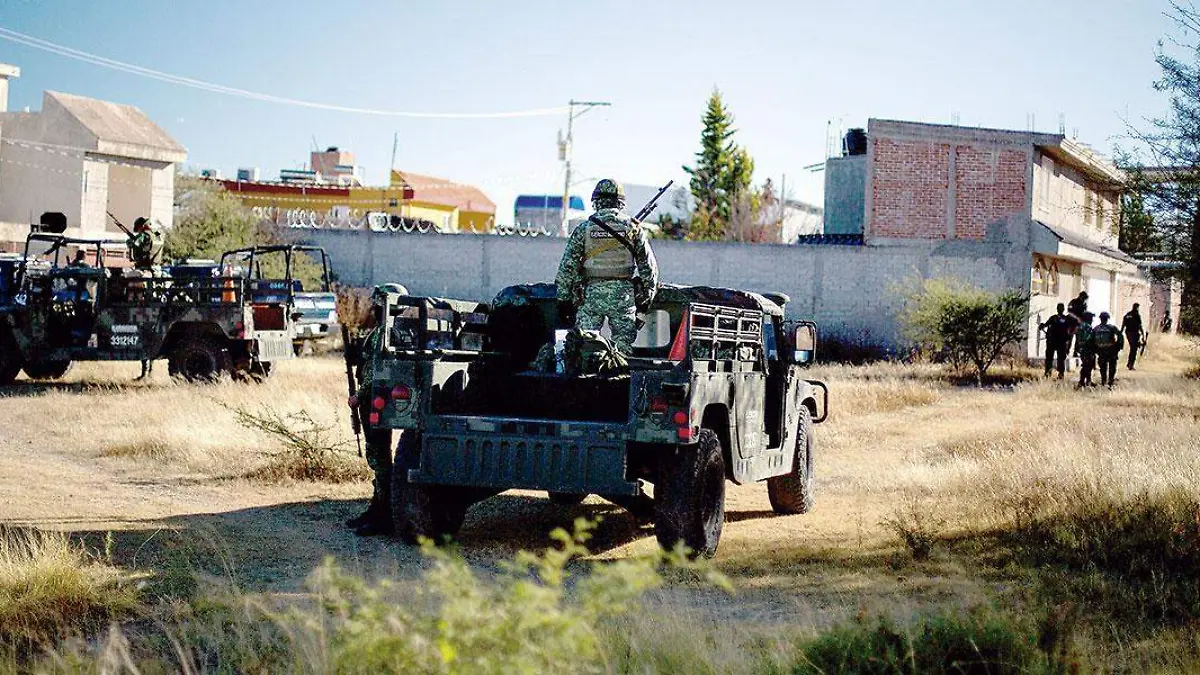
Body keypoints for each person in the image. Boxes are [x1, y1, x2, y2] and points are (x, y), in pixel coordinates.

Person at [555, 179, 659, 354]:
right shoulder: (633, 229)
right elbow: (649, 268)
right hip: (623, 297)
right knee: (622, 348)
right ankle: (618, 378)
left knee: (585, 344)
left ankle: (586, 376)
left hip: (590, 296)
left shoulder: (584, 229)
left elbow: (567, 268)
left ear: (596, 202)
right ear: (620, 203)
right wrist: (647, 298)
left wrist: (563, 300)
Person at [345, 283, 409, 536]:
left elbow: (377, 371)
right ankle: (376, 509)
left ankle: (385, 516)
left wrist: (358, 396)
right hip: (376, 400)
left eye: (376, 303)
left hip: (375, 400)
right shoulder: (389, 331)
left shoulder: (385, 332)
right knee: (379, 458)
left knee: (380, 460)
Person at [128, 217, 165, 380]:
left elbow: (134, 245)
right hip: (156, 274)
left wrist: (131, 240)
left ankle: (145, 372)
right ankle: (148, 372)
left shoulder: (144, 236)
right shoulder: (157, 236)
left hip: (145, 273)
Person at [1038, 303, 1076, 379]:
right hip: (1053, 342)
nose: (1060, 309)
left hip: (1060, 342)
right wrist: (1042, 326)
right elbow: (1045, 325)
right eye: (1059, 308)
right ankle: (1048, 373)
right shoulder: (1054, 318)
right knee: (1051, 359)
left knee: (1060, 359)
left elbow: (1070, 330)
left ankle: (1060, 374)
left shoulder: (1063, 319)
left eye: (1061, 308)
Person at [1092, 311, 1124, 388]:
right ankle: (1110, 381)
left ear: (1100, 319)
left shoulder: (1096, 328)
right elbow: (1120, 336)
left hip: (1101, 350)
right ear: (1107, 319)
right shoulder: (1111, 327)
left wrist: (1095, 349)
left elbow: (1092, 340)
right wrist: (1119, 346)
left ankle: (1104, 380)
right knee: (1112, 366)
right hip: (1111, 350)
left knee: (1102, 367)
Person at [1074, 312, 1096, 388]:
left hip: (1082, 348)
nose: (1092, 320)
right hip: (1087, 348)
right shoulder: (1087, 326)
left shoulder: (1081, 326)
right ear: (1088, 318)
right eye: (1091, 318)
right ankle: (1082, 382)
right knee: (1087, 365)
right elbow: (1088, 338)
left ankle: (1088, 381)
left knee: (1087, 365)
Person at [1121, 303, 1145, 370]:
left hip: (1128, 333)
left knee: (1133, 348)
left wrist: (1121, 332)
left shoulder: (1127, 315)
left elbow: (1123, 325)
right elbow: (1140, 326)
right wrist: (1143, 335)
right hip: (1133, 333)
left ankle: (1130, 363)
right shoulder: (1136, 315)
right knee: (1134, 348)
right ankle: (1130, 364)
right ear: (1136, 307)